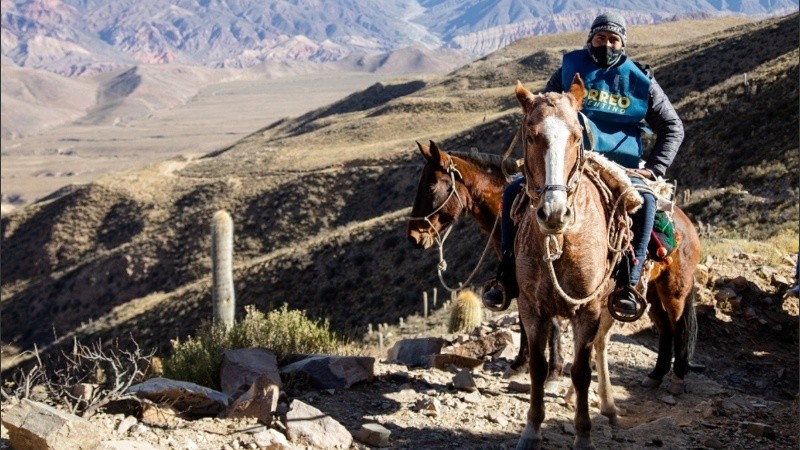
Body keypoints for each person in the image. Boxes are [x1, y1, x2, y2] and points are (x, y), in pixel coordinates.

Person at [482, 12, 684, 319]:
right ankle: (507, 274)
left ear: (623, 43)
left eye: (613, 39)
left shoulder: (641, 80)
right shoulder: (569, 70)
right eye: (600, 38)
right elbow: (543, 107)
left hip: (622, 165)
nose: (606, 44)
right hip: (571, 162)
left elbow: (672, 126)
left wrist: (654, 167)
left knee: (646, 204)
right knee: (512, 194)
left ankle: (629, 282)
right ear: (590, 39)